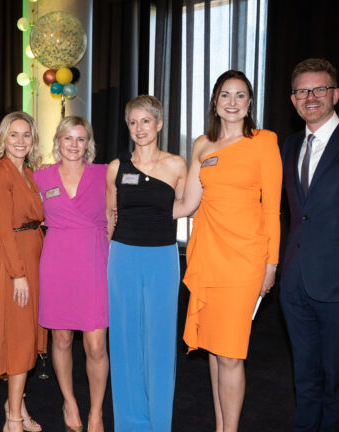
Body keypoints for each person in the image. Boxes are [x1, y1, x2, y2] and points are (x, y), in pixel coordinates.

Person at [174, 70, 282, 431]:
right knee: (214, 345)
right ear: (215, 103)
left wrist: (271, 265)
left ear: (249, 103)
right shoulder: (202, 145)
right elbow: (187, 203)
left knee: (231, 353)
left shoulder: (264, 141)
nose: (232, 102)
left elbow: (272, 209)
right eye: (225, 95)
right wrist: (135, 206)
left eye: (240, 95)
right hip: (208, 255)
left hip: (245, 261)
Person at [280, 58, 339, 432]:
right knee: (305, 379)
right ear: (293, 99)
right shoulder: (290, 145)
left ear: (336, 94)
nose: (310, 97)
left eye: (319, 89)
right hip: (295, 283)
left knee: (337, 383)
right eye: (302, 91)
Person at [106, 95, 186, 431]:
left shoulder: (177, 165)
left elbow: (187, 206)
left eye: (146, 121)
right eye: (133, 122)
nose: (139, 128)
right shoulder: (116, 167)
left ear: (159, 124)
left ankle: (158, 423)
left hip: (162, 257)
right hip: (123, 255)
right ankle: (129, 423)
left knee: (160, 339)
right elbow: (110, 216)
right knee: (125, 339)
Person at [34, 116, 109, 432]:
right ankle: (70, 402)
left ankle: (96, 412)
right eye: (68, 138)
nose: (74, 145)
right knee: (62, 339)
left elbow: (117, 216)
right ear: (58, 142)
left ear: (88, 143)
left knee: (96, 345)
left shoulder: (104, 173)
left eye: (80, 138)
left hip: (94, 262)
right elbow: (21, 212)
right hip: (57, 263)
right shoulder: (40, 176)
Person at [0, 112, 47, 432]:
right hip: (16, 261)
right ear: (3, 139)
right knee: (20, 337)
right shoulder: (0, 173)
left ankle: (18, 407)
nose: (20, 141)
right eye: (14, 134)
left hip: (33, 252)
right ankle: (12, 419)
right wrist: (18, 274)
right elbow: (6, 230)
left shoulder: (30, 173)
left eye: (26, 134)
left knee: (26, 333)